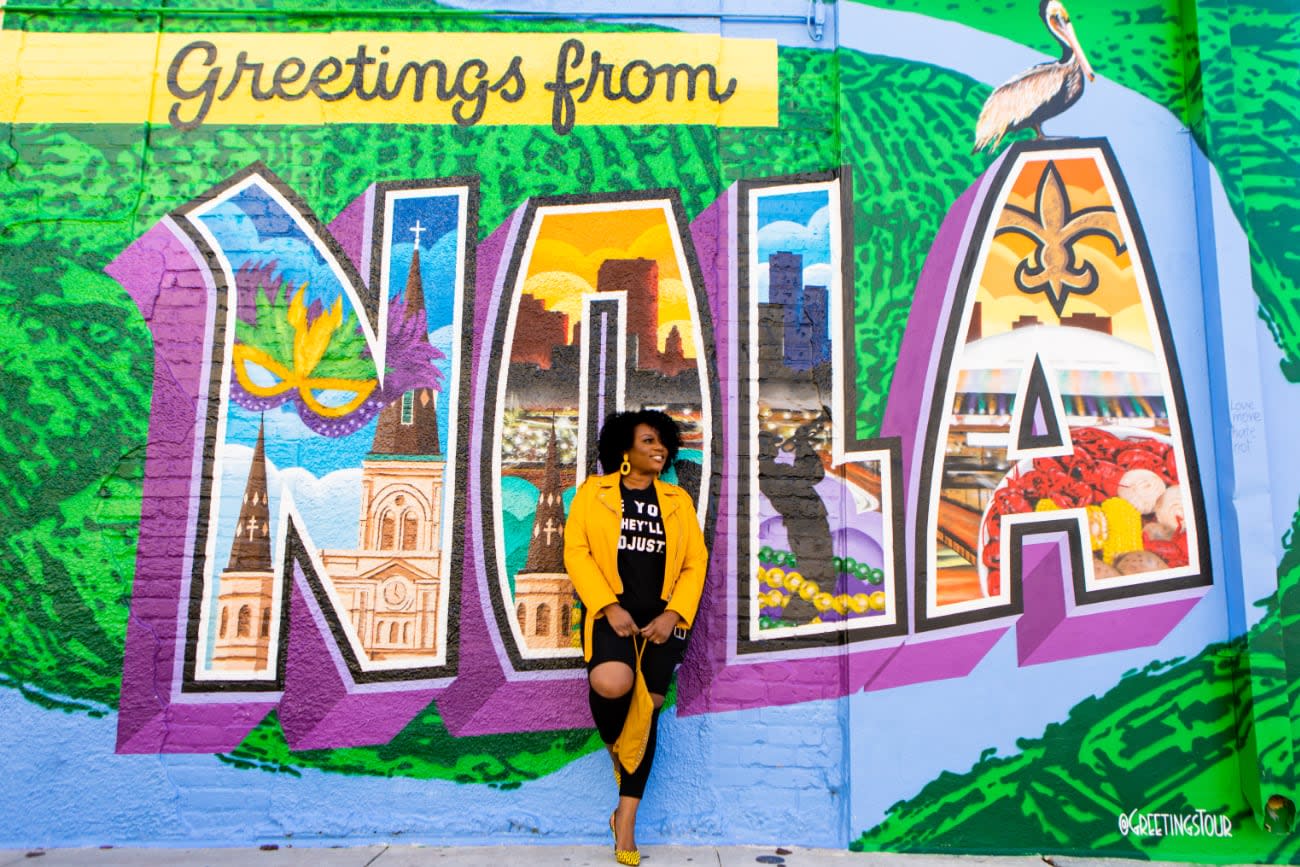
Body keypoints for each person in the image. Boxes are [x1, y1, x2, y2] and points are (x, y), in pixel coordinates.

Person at [564, 409, 709, 866]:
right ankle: (619, 751)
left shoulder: (676, 501)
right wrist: (607, 606)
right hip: (612, 615)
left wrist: (674, 614)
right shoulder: (594, 493)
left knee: (646, 716)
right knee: (611, 685)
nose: (658, 448)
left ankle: (624, 821)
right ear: (624, 449)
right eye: (648, 440)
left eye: (662, 442)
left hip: (663, 622)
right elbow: (577, 551)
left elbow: (694, 564)